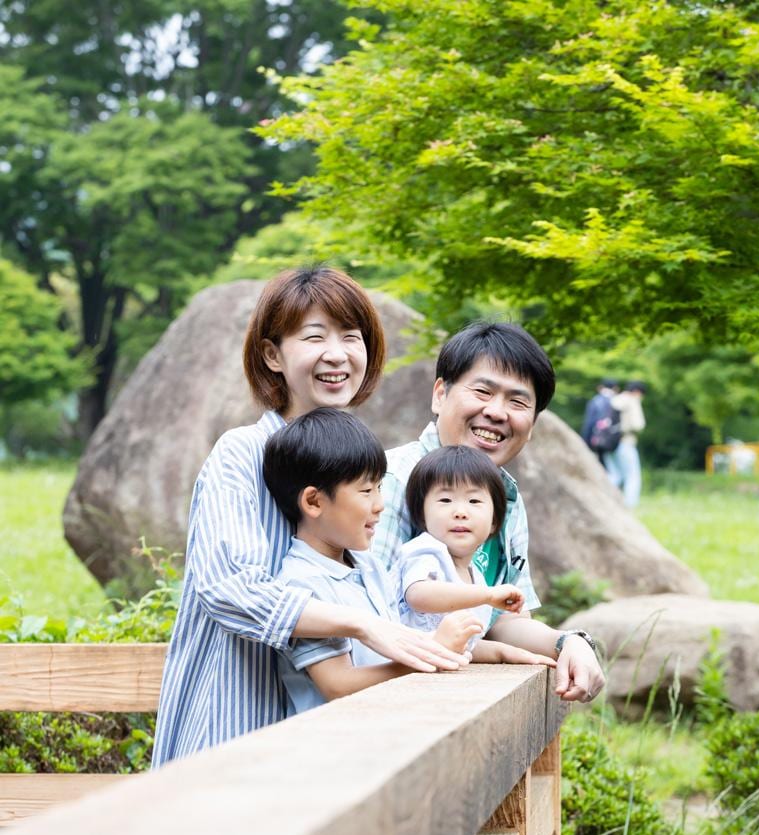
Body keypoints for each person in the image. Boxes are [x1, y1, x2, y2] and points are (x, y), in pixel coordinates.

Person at [152, 267, 468, 767]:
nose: (338, 354)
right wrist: (362, 625)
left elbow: (389, 597)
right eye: (314, 336)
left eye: (351, 336)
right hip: (237, 726)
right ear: (273, 355)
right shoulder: (241, 454)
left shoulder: (353, 464)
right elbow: (228, 588)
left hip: (326, 751)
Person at [373, 321, 606, 704]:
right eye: (482, 391)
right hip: (384, 698)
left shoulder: (505, 499)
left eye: (517, 402)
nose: (496, 412)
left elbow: (506, 620)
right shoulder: (391, 480)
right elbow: (369, 615)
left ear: (531, 425)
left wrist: (568, 643)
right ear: (440, 394)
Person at [261, 410, 483, 715]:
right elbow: (337, 685)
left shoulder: (369, 565)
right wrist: (431, 656)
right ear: (314, 502)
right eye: (366, 491)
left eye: (380, 488)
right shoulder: (303, 584)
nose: (380, 504)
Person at [397, 445, 556, 666]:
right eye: (445, 500)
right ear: (422, 516)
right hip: (401, 671)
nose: (460, 512)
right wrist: (487, 595)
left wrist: (503, 653)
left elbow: (467, 645)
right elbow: (419, 595)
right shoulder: (426, 551)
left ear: (493, 523)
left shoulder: (476, 577)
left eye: (474, 501)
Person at [605, 380, 647, 509]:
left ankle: (606, 502)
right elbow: (638, 424)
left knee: (614, 475)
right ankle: (630, 506)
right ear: (637, 392)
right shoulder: (632, 401)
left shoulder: (615, 399)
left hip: (609, 443)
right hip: (625, 442)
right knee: (633, 476)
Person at [581, 378, 621, 465]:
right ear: (615, 388)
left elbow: (589, 423)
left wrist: (585, 441)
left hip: (597, 439)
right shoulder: (618, 401)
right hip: (614, 441)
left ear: (601, 387)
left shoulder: (595, 401)